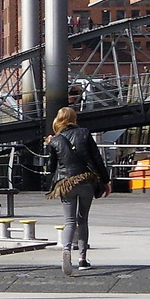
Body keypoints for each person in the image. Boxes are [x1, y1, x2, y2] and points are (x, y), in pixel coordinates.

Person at [46, 106, 111, 270]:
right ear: (74, 119)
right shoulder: (84, 133)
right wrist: (106, 181)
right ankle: (82, 259)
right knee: (82, 220)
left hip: (66, 183)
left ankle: (66, 249)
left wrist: (50, 145)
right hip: (85, 181)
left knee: (69, 221)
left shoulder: (56, 140)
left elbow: (50, 167)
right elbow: (97, 158)